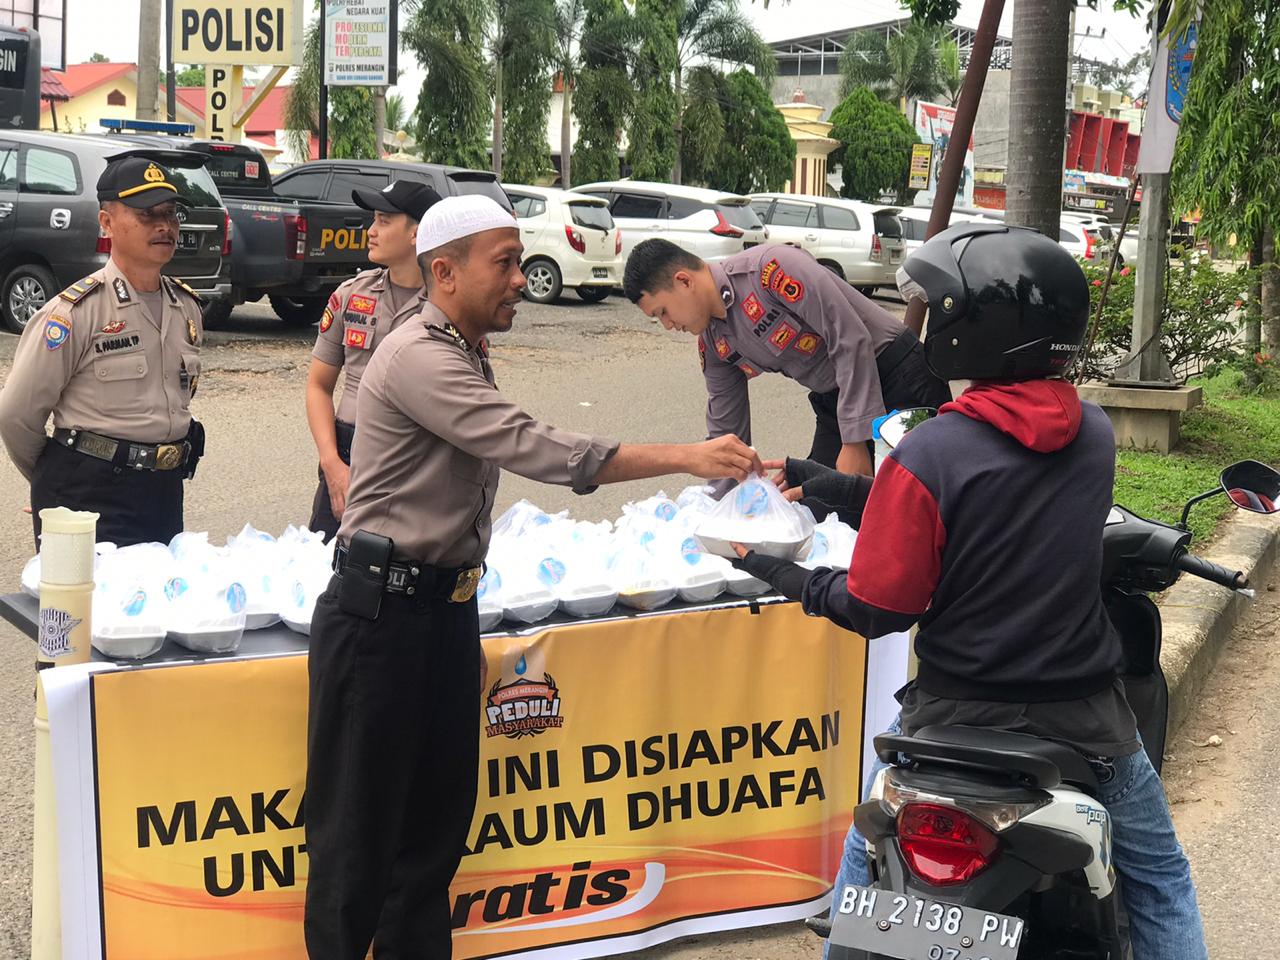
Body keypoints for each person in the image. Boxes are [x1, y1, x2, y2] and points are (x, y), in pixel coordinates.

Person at [303, 195, 761, 960]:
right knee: (356, 853)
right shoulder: (419, 352)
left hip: (439, 616)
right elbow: (539, 448)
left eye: (520, 261)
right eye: (505, 263)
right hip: (379, 620)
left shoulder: (460, 345)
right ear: (444, 272)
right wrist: (688, 454)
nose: (521, 279)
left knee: (431, 847)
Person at [733, 223, 1208, 960]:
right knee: (1159, 880)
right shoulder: (1093, 432)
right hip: (1082, 716)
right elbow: (999, 514)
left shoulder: (929, 453)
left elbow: (883, 605)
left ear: (970, 328)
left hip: (952, 715)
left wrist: (789, 576)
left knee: (860, 884)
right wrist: (845, 488)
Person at [0, 154, 205, 548]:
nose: (165, 225)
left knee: (160, 607)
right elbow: (16, 416)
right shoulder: (74, 313)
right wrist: (52, 483)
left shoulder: (187, 308)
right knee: (85, 610)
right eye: (147, 214)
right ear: (107, 223)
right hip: (86, 495)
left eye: (171, 213)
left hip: (163, 490)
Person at [622, 238, 951, 478]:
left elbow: (849, 336)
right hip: (837, 401)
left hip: (899, 377)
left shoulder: (771, 270)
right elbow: (726, 433)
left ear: (683, 280)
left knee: (918, 499)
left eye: (662, 312)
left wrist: (854, 441)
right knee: (819, 505)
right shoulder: (713, 343)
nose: (667, 325)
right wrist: (724, 503)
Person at [305, 179, 440, 539]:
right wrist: (332, 464)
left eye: (383, 220)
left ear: (417, 233)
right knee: (325, 570)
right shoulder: (351, 294)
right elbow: (319, 386)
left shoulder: (448, 306)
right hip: (347, 457)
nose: (370, 231)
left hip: (415, 459)